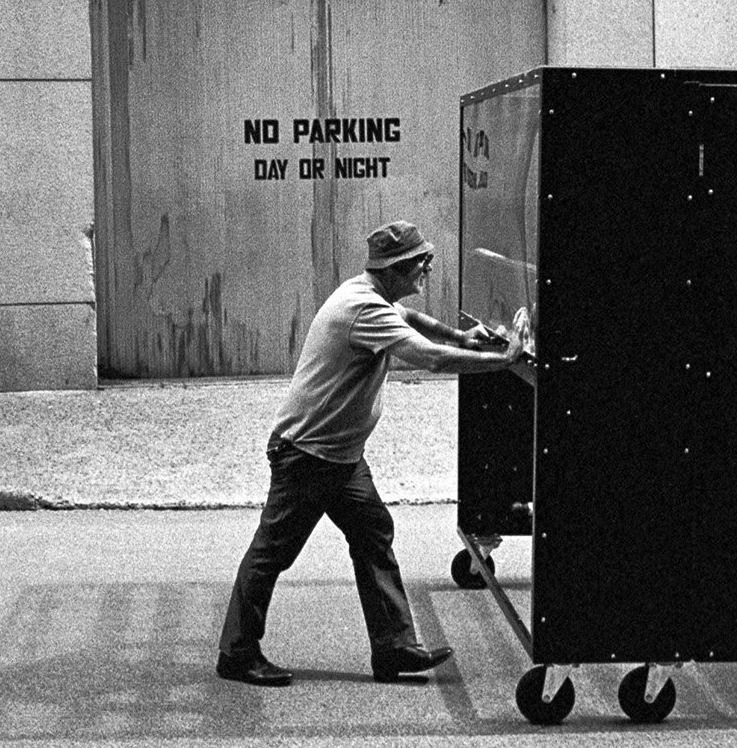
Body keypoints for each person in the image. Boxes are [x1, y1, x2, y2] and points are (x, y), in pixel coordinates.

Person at [217, 219, 524, 687]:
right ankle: (237, 654)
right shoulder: (363, 308)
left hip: (340, 456)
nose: (427, 268)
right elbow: (432, 359)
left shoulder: (371, 296)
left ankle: (395, 648)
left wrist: (461, 336)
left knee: (373, 534)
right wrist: (502, 361)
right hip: (309, 455)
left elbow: (411, 319)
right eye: (421, 262)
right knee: (272, 553)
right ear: (396, 268)